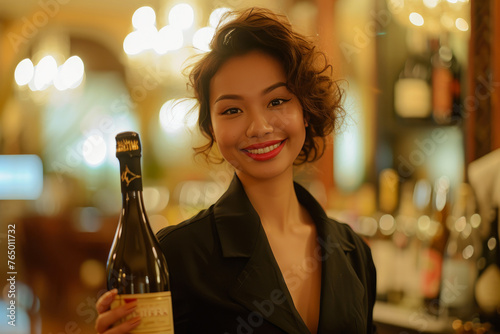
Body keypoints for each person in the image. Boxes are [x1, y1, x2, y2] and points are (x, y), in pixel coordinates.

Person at [96, 7, 376, 334]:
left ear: (306, 111)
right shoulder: (177, 255)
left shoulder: (354, 251)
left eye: (277, 101)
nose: (258, 127)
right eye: (232, 109)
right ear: (211, 129)